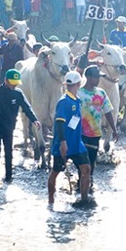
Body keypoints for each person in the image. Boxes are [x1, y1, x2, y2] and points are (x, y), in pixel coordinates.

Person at [0, 69, 40, 186]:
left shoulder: (18, 94)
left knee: (8, 151)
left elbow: (27, 107)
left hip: (9, 127)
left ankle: (9, 177)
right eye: (12, 83)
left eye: (16, 83)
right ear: (6, 80)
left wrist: (35, 120)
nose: (14, 85)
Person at [48, 71, 94, 207]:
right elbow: (59, 123)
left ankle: (84, 200)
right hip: (63, 144)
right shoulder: (64, 102)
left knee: (86, 168)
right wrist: (62, 142)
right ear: (79, 84)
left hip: (76, 143)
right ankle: (50, 202)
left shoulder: (76, 100)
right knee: (55, 172)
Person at [79, 65, 119, 175]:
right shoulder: (78, 94)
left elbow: (107, 112)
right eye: (96, 77)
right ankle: (81, 180)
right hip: (80, 133)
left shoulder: (101, 93)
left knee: (92, 159)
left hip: (95, 133)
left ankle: (89, 179)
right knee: (82, 160)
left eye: (98, 77)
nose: (98, 80)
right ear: (88, 77)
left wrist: (114, 130)